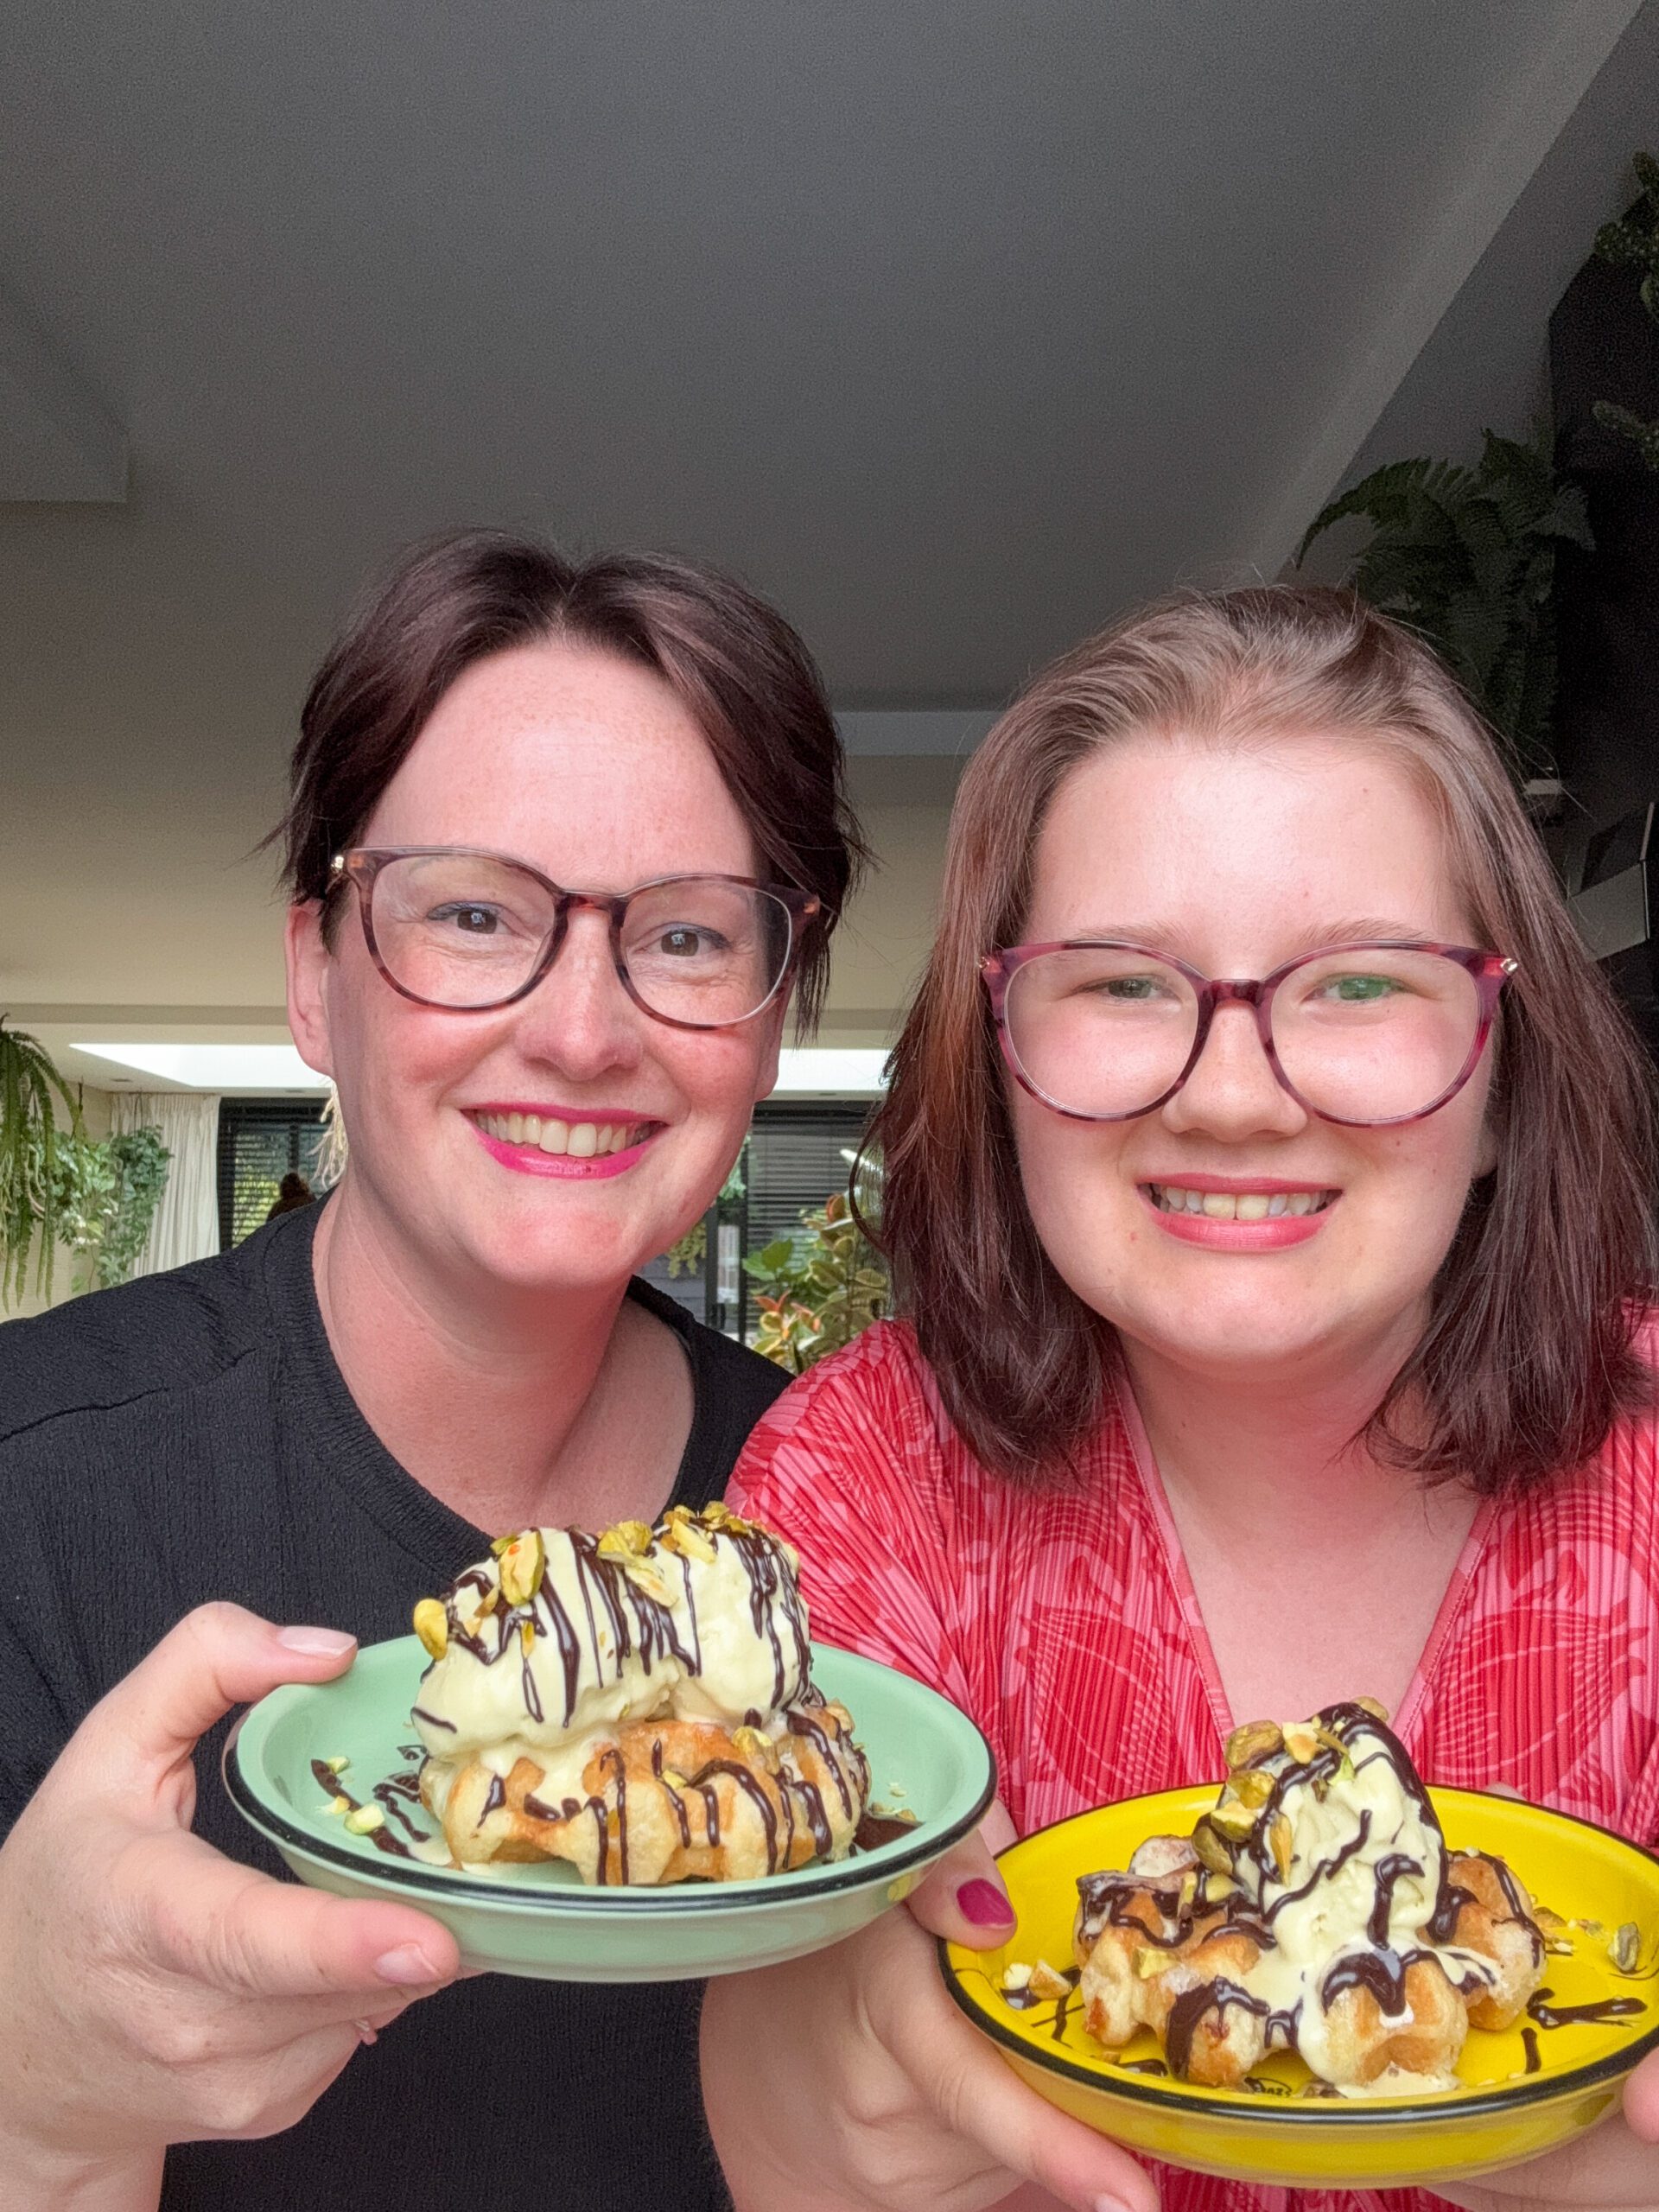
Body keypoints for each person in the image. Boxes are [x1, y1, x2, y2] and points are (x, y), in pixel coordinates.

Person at [706, 584, 1659, 2212]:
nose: (1231, 1096)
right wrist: (826, 2104)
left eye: (1359, 984)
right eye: (1123, 984)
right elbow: (786, 2119)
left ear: (1505, 1071)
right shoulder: (856, 1480)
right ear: (1000, 1061)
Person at [0, 529, 863, 2211]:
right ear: (315, 974)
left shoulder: (856, 1517)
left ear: (773, 1015)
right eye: (473, 912)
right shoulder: (29, 1478)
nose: (583, 1030)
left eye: (689, 937)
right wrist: (30, 2096)